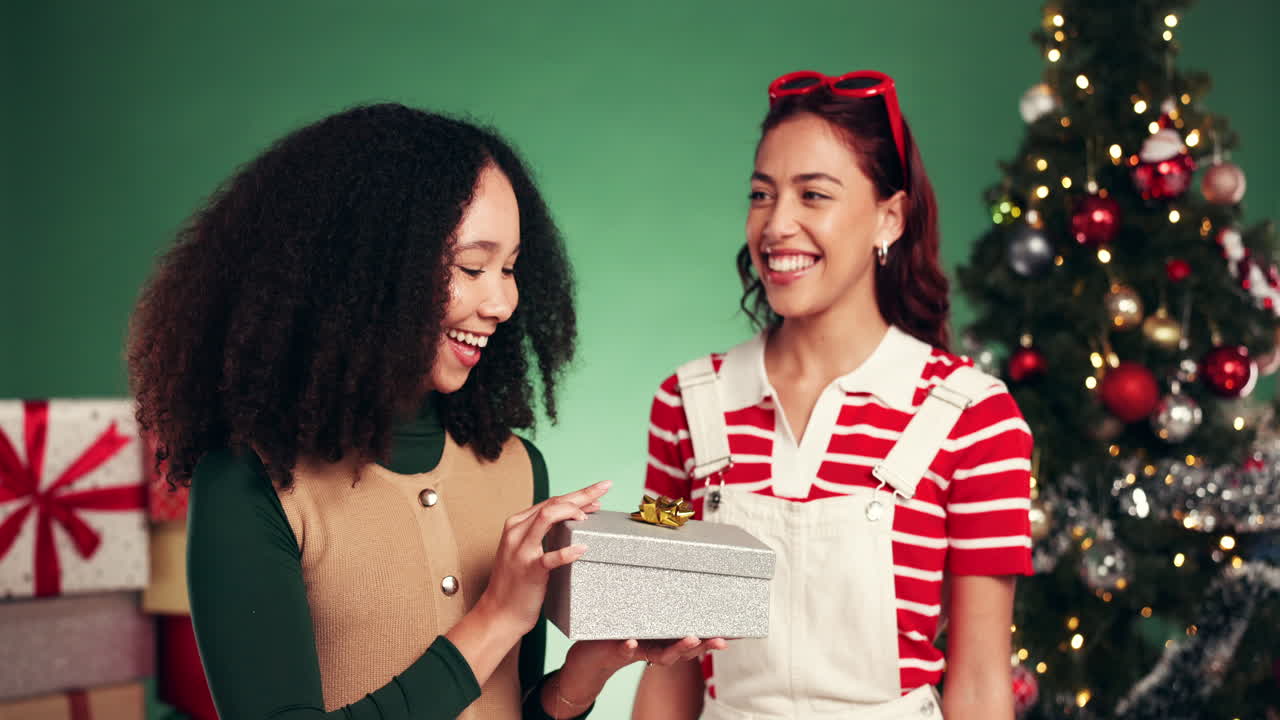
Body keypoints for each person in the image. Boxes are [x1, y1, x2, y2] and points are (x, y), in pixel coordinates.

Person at [128, 103, 719, 720]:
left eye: (511, 268)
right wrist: (492, 620)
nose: (503, 301)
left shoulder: (516, 467)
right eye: (472, 266)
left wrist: (586, 671)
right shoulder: (251, 481)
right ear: (372, 271)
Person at [632, 71, 1034, 720]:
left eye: (813, 195)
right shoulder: (684, 403)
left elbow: (983, 683)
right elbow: (663, 659)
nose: (776, 224)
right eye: (762, 195)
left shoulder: (978, 420)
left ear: (889, 217)